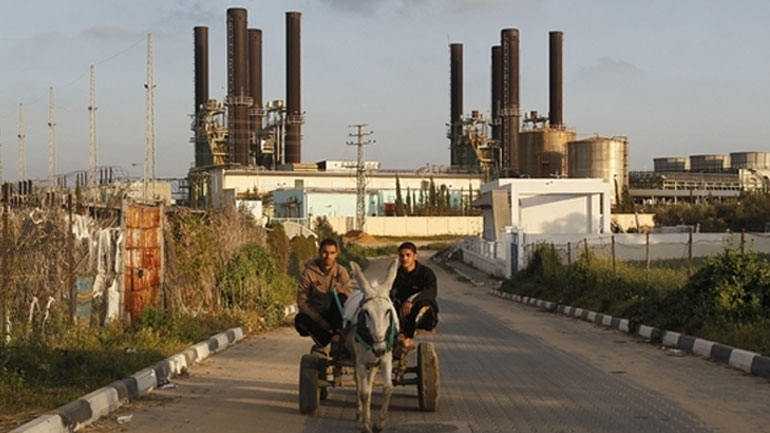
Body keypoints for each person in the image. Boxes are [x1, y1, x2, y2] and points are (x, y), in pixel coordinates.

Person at [294, 238, 353, 355]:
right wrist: (319, 320)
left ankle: (338, 336)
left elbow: (351, 297)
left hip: (336, 314)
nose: (328, 256)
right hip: (318, 314)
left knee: (341, 298)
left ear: (336, 254)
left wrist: (343, 291)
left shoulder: (341, 272)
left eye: (332, 253)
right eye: (325, 252)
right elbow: (302, 302)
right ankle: (331, 339)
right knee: (300, 320)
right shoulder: (308, 273)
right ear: (320, 252)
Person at [390, 242, 438, 353]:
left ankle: (408, 338)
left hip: (424, 314)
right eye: (402, 256)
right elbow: (392, 292)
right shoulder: (396, 275)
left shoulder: (426, 273)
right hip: (402, 312)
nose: (404, 259)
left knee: (422, 307)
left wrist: (411, 301)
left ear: (415, 256)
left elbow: (431, 292)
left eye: (408, 255)